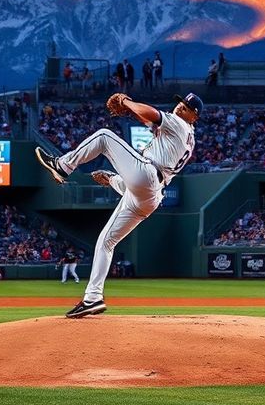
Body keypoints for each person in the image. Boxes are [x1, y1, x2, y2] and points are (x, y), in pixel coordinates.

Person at [34, 91, 203, 318]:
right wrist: (112, 179)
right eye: (180, 104)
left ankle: (62, 166)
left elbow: (152, 114)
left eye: (186, 108)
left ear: (194, 117)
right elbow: (147, 121)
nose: (180, 108)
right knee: (106, 241)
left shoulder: (179, 125)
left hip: (147, 176)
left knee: (104, 136)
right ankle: (93, 298)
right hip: (149, 196)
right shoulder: (184, 134)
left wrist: (127, 102)